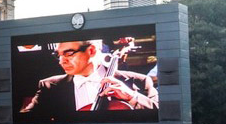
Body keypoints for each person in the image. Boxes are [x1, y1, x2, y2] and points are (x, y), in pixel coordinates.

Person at [20, 39, 158, 119]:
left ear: (91, 51)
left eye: (68, 54)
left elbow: (162, 114)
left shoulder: (140, 80)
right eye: (58, 56)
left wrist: (132, 97)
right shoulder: (48, 85)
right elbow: (24, 119)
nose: (61, 62)